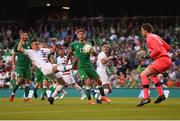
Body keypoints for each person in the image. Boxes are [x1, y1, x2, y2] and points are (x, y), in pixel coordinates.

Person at [17, 35, 72, 104]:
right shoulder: (30, 51)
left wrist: (54, 43)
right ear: (32, 46)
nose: (37, 45)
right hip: (45, 68)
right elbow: (19, 49)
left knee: (62, 84)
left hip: (48, 68)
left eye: (37, 44)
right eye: (35, 44)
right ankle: (72, 66)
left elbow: (53, 50)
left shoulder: (42, 50)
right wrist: (21, 40)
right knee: (56, 67)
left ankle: (52, 97)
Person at [66, 29, 111, 104]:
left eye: (82, 34)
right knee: (88, 81)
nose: (81, 35)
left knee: (99, 81)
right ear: (77, 36)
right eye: (79, 34)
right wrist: (67, 62)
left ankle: (103, 97)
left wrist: (91, 51)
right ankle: (90, 100)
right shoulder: (74, 44)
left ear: (84, 35)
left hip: (89, 65)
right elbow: (69, 53)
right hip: (81, 66)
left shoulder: (89, 44)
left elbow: (95, 54)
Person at [137, 23, 172, 107]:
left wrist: (148, 56)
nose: (141, 32)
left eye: (141, 30)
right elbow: (168, 48)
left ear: (145, 30)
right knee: (152, 76)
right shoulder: (156, 36)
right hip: (167, 60)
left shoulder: (149, 37)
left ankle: (146, 98)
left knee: (143, 75)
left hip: (162, 60)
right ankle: (161, 95)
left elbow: (157, 50)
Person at [9, 32, 32, 102]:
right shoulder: (17, 44)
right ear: (21, 36)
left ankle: (26, 98)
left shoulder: (29, 44)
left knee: (27, 81)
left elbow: (31, 54)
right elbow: (13, 54)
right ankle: (12, 94)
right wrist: (13, 64)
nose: (25, 36)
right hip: (20, 65)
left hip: (27, 66)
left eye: (26, 35)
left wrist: (32, 63)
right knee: (19, 81)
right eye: (24, 35)